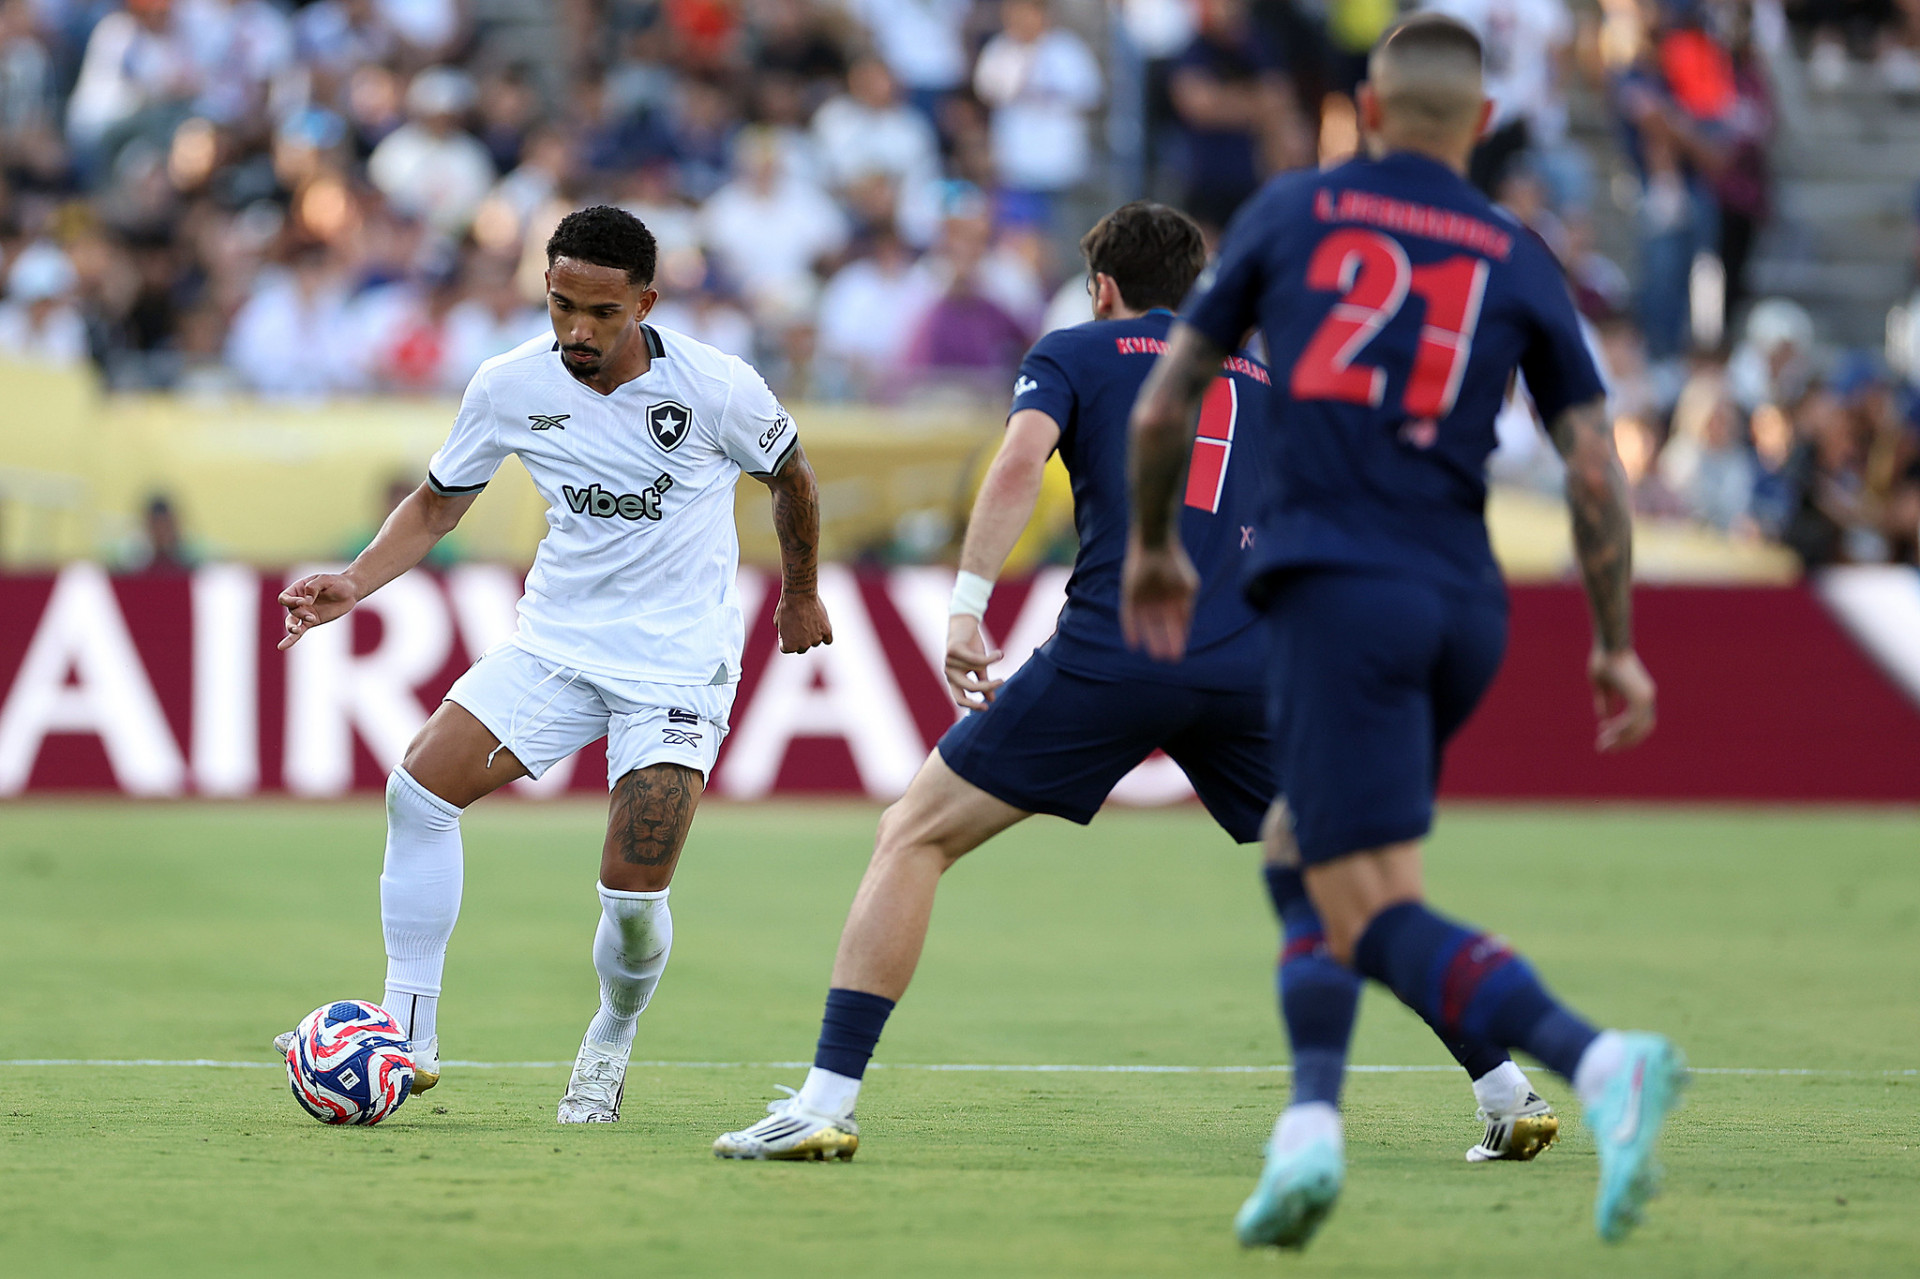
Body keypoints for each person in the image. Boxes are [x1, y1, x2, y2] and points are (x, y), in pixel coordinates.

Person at [710, 200, 1557, 1165]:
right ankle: (1505, 1086)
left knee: (913, 834)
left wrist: (967, 605)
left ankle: (825, 1101)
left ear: (1103, 287)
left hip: (1113, 652)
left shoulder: (1075, 351)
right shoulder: (1266, 381)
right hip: (1248, 668)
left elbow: (1018, 462)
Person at [1122, 15, 1680, 1249]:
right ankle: (1314, 1124)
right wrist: (1614, 639)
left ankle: (1596, 1062)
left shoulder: (1294, 211)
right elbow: (1595, 466)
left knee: (1350, 896)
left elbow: (1166, 404)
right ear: (1483, 124)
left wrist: (1155, 544)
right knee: (1315, 856)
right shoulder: (1516, 250)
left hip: (1338, 589)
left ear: (1367, 109)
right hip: (1464, 605)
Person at [271, 206, 833, 1123]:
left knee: (632, 903)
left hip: (676, 665)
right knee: (419, 791)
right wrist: (355, 581)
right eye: (562, 305)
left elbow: (793, 478)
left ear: (644, 304)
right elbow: (437, 503)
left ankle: (611, 1034)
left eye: (602, 313)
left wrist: (799, 593)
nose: (577, 330)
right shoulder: (508, 384)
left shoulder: (717, 387)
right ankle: (409, 1035)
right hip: (556, 644)